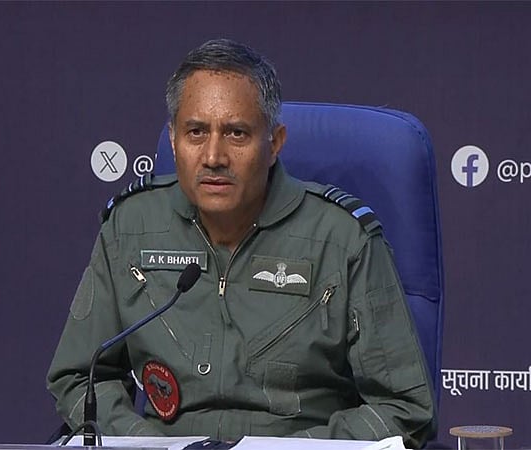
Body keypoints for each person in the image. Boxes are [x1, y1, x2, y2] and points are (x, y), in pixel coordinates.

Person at [47, 38, 436, 448]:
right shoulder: (130, 227)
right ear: (174, 140)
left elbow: (404, 409)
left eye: (236, 133)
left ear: (275, 143)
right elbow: (80, 378)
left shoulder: (342, 240)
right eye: (196, 132)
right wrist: (145, 444)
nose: (214, 156)